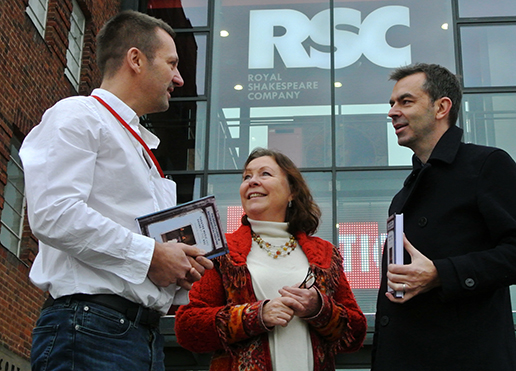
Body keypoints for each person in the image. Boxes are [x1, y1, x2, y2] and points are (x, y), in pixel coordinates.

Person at [20, 10, 213, 371]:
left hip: (134, 333)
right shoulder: (78, 115)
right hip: (91, 328)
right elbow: (54, 214)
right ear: (135, 59)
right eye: (172, 63)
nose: (180, 78)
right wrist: (153, 256)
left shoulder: (135, 141)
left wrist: (176, 268)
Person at [371, 63, 516, 370]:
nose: (392, 112)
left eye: (405, 101)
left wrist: (441, 273)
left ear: (441, 107)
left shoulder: (487, 165)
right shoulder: (404, 194)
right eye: (392, 104)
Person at [175, 148, 367, 370]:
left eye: (265, 174)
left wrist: (319, 309)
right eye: (247, 176)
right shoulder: (221, 251)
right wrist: (256, 316)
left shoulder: (325, 253)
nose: (253, 181)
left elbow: (355, 334)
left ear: (292, 191)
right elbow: (188, 328)